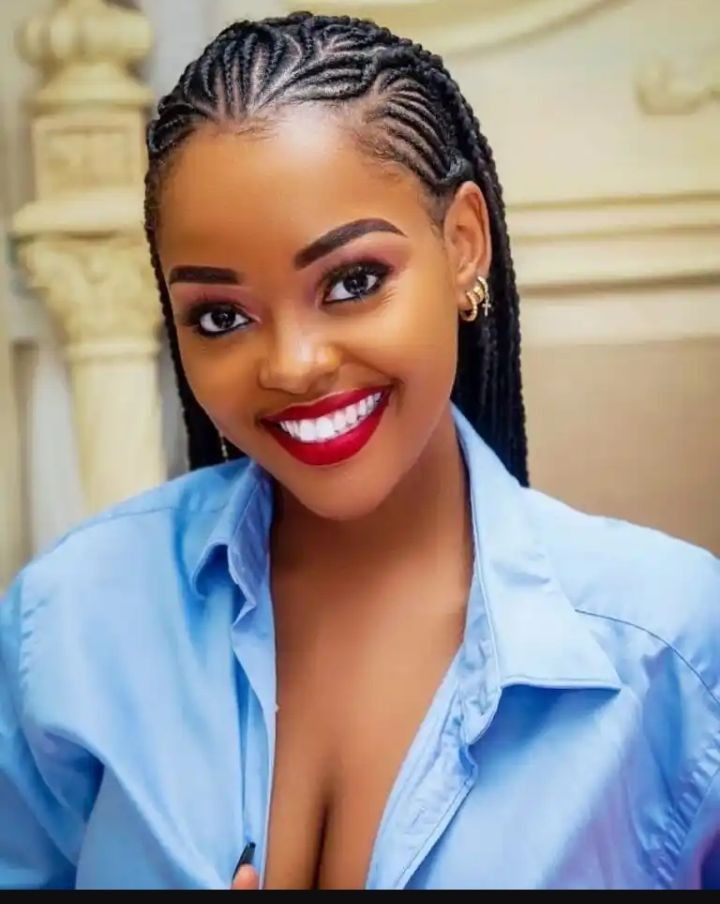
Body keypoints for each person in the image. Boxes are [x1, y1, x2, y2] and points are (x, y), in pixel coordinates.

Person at [1, 11, 718, 891]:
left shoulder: (674, 650)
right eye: (221, 317)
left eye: (352, 281)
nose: (292, 365)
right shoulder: (68, 623)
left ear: (462, 244)